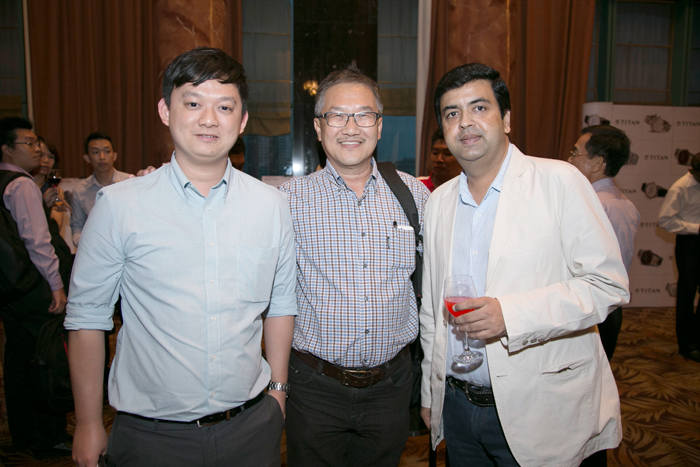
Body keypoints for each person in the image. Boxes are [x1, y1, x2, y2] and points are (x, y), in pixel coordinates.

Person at [65, 47, 297, 467]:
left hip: (249, 427)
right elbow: (86, 317)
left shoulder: (271, 205)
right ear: (165, 110)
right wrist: (87, 421)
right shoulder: (119, 206)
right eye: (192, 103)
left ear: (242, 120)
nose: (209, 119)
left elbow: (280, 305)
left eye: (224, 107)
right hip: (151, 436)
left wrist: (278, 392)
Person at [419, 63, 629, 467]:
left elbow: (608, 284)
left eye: (479, 108)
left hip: (542, 408)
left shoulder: (560, 182)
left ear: (507, 119)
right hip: (458, 408)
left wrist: (511, 316)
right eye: (452, 113)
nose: (465, 122)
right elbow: (432, 312)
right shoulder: (439, 203)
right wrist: (432, 394)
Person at [279, 63, 430, 467]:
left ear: (379, 126)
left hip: (391, 385)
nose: (350, 127)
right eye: (337, 116)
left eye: (363, 115)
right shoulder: (287, 201)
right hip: (314, 386)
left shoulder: (415, 196)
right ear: (318, 127)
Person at [0, 117, 71, 458]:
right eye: (28, 143)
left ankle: (23, 434)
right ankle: (48, 436)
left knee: (17, 360)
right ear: (6, 148)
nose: (37, 149)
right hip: (32, 286)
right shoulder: (21, 184)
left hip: (8, 285)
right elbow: (38, 241)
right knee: (47, 359)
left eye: (36, 143)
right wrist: (56, 285)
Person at [569, 125, 640, 361]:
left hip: (588, 310)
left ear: (598, 163)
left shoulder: (592, 205)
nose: (569, 159)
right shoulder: (625, 203)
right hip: (610, 308)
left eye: (575, 153)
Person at [658, 153, 700, 363]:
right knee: (687, 292)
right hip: (689, 244)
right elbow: (665, 220)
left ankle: (697, 336)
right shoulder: (680, 187)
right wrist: (696, 228)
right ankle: (687, 345)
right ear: (695, 171)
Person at [69, 132, 130, 247]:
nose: (102, 157)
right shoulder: (80, 190)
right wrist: (83, 245)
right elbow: (77, 225)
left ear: (114, 156)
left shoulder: (129, 182)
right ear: (87, 158)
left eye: (107, 151)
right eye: (96, 152)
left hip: (126, 246)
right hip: (94, 247)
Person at [33, 137, 70, 234]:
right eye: (41, 155)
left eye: (51, 157)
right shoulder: (21, 185)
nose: (46, 160)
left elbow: (56, 226)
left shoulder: (54, 191)